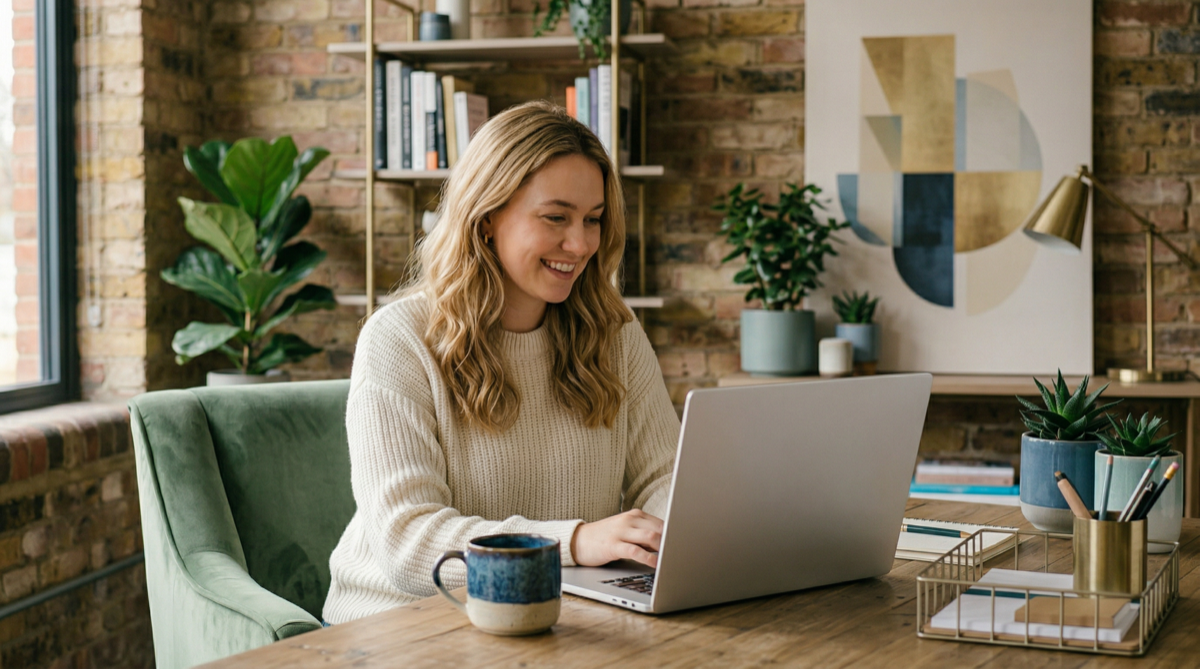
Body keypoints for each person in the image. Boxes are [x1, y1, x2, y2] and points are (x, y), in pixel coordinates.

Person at [322, 100, 681, 624]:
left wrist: (675, 536)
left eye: (594, 219)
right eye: (556, 217)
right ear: (487, 216)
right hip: (400, 622)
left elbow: (666, 478)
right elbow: (408, 543)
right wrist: (574, 542)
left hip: (556, 612)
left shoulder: (615, 333)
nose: (581, 243)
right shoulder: (398, 339)